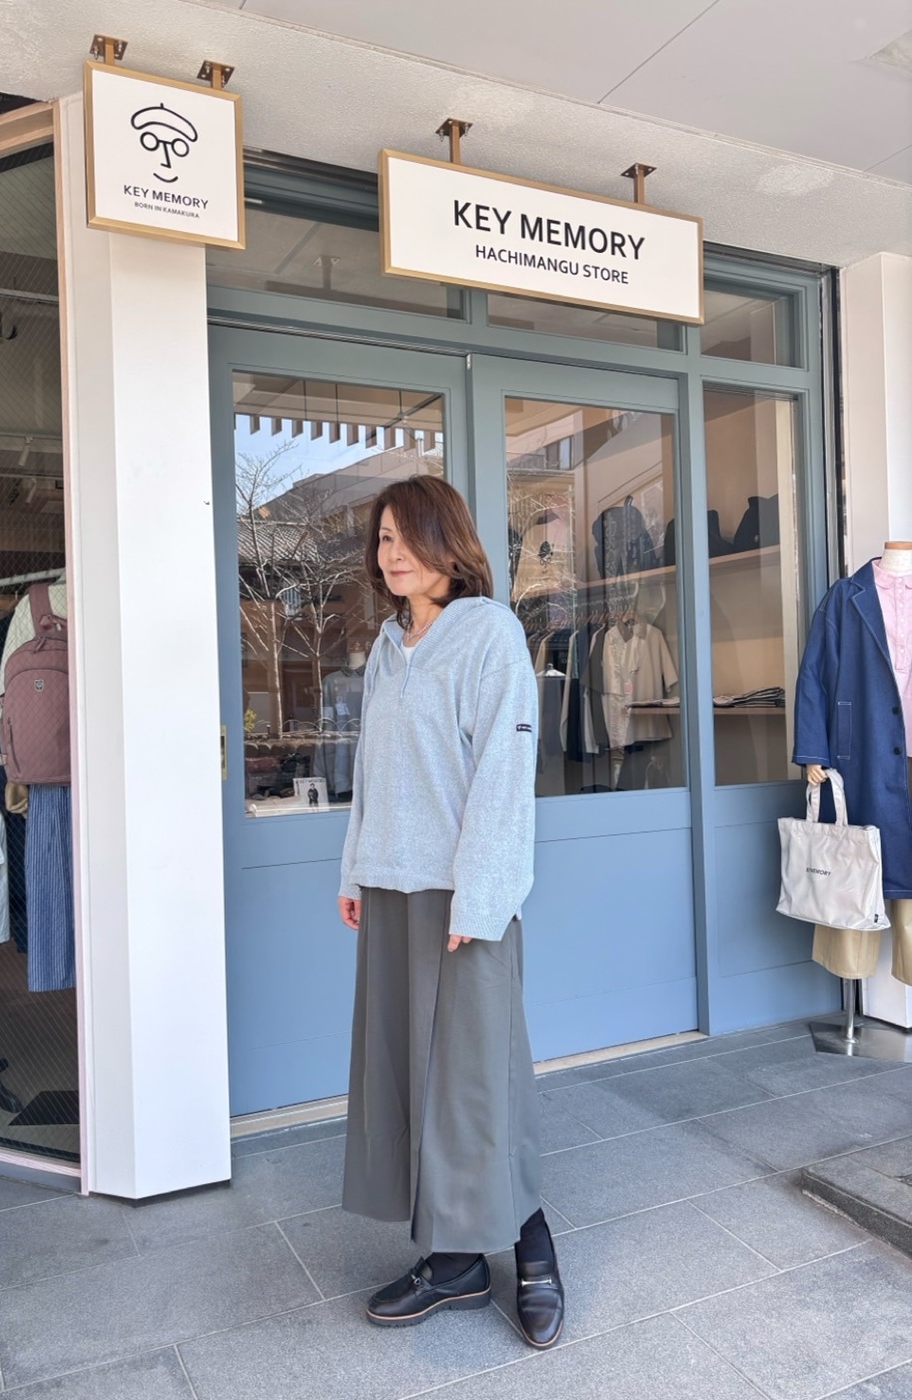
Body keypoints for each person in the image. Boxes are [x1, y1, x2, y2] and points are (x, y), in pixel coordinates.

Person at [337, 475, 564, 1350]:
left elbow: (505, 778)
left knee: (478, 1079)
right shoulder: (387, 647)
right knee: (410, 1077)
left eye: (406, 536)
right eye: (382, 539)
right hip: (392, 889)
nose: (390, 553)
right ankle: (455, 1261)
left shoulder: (489, 634)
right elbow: (371, 770)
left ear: (447, 541)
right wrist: (355, 869)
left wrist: (483, 894)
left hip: (463, 896)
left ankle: (532, 1243)